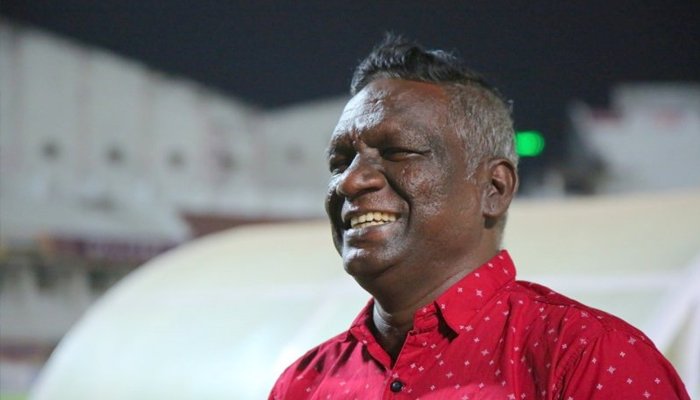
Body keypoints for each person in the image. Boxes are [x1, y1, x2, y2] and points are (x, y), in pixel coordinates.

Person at [269, 35, 690, 400]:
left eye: (398, 152)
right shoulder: (304, 384)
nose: (350, 181)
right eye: (340, 162)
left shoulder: (588, 357)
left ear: (494, 188)